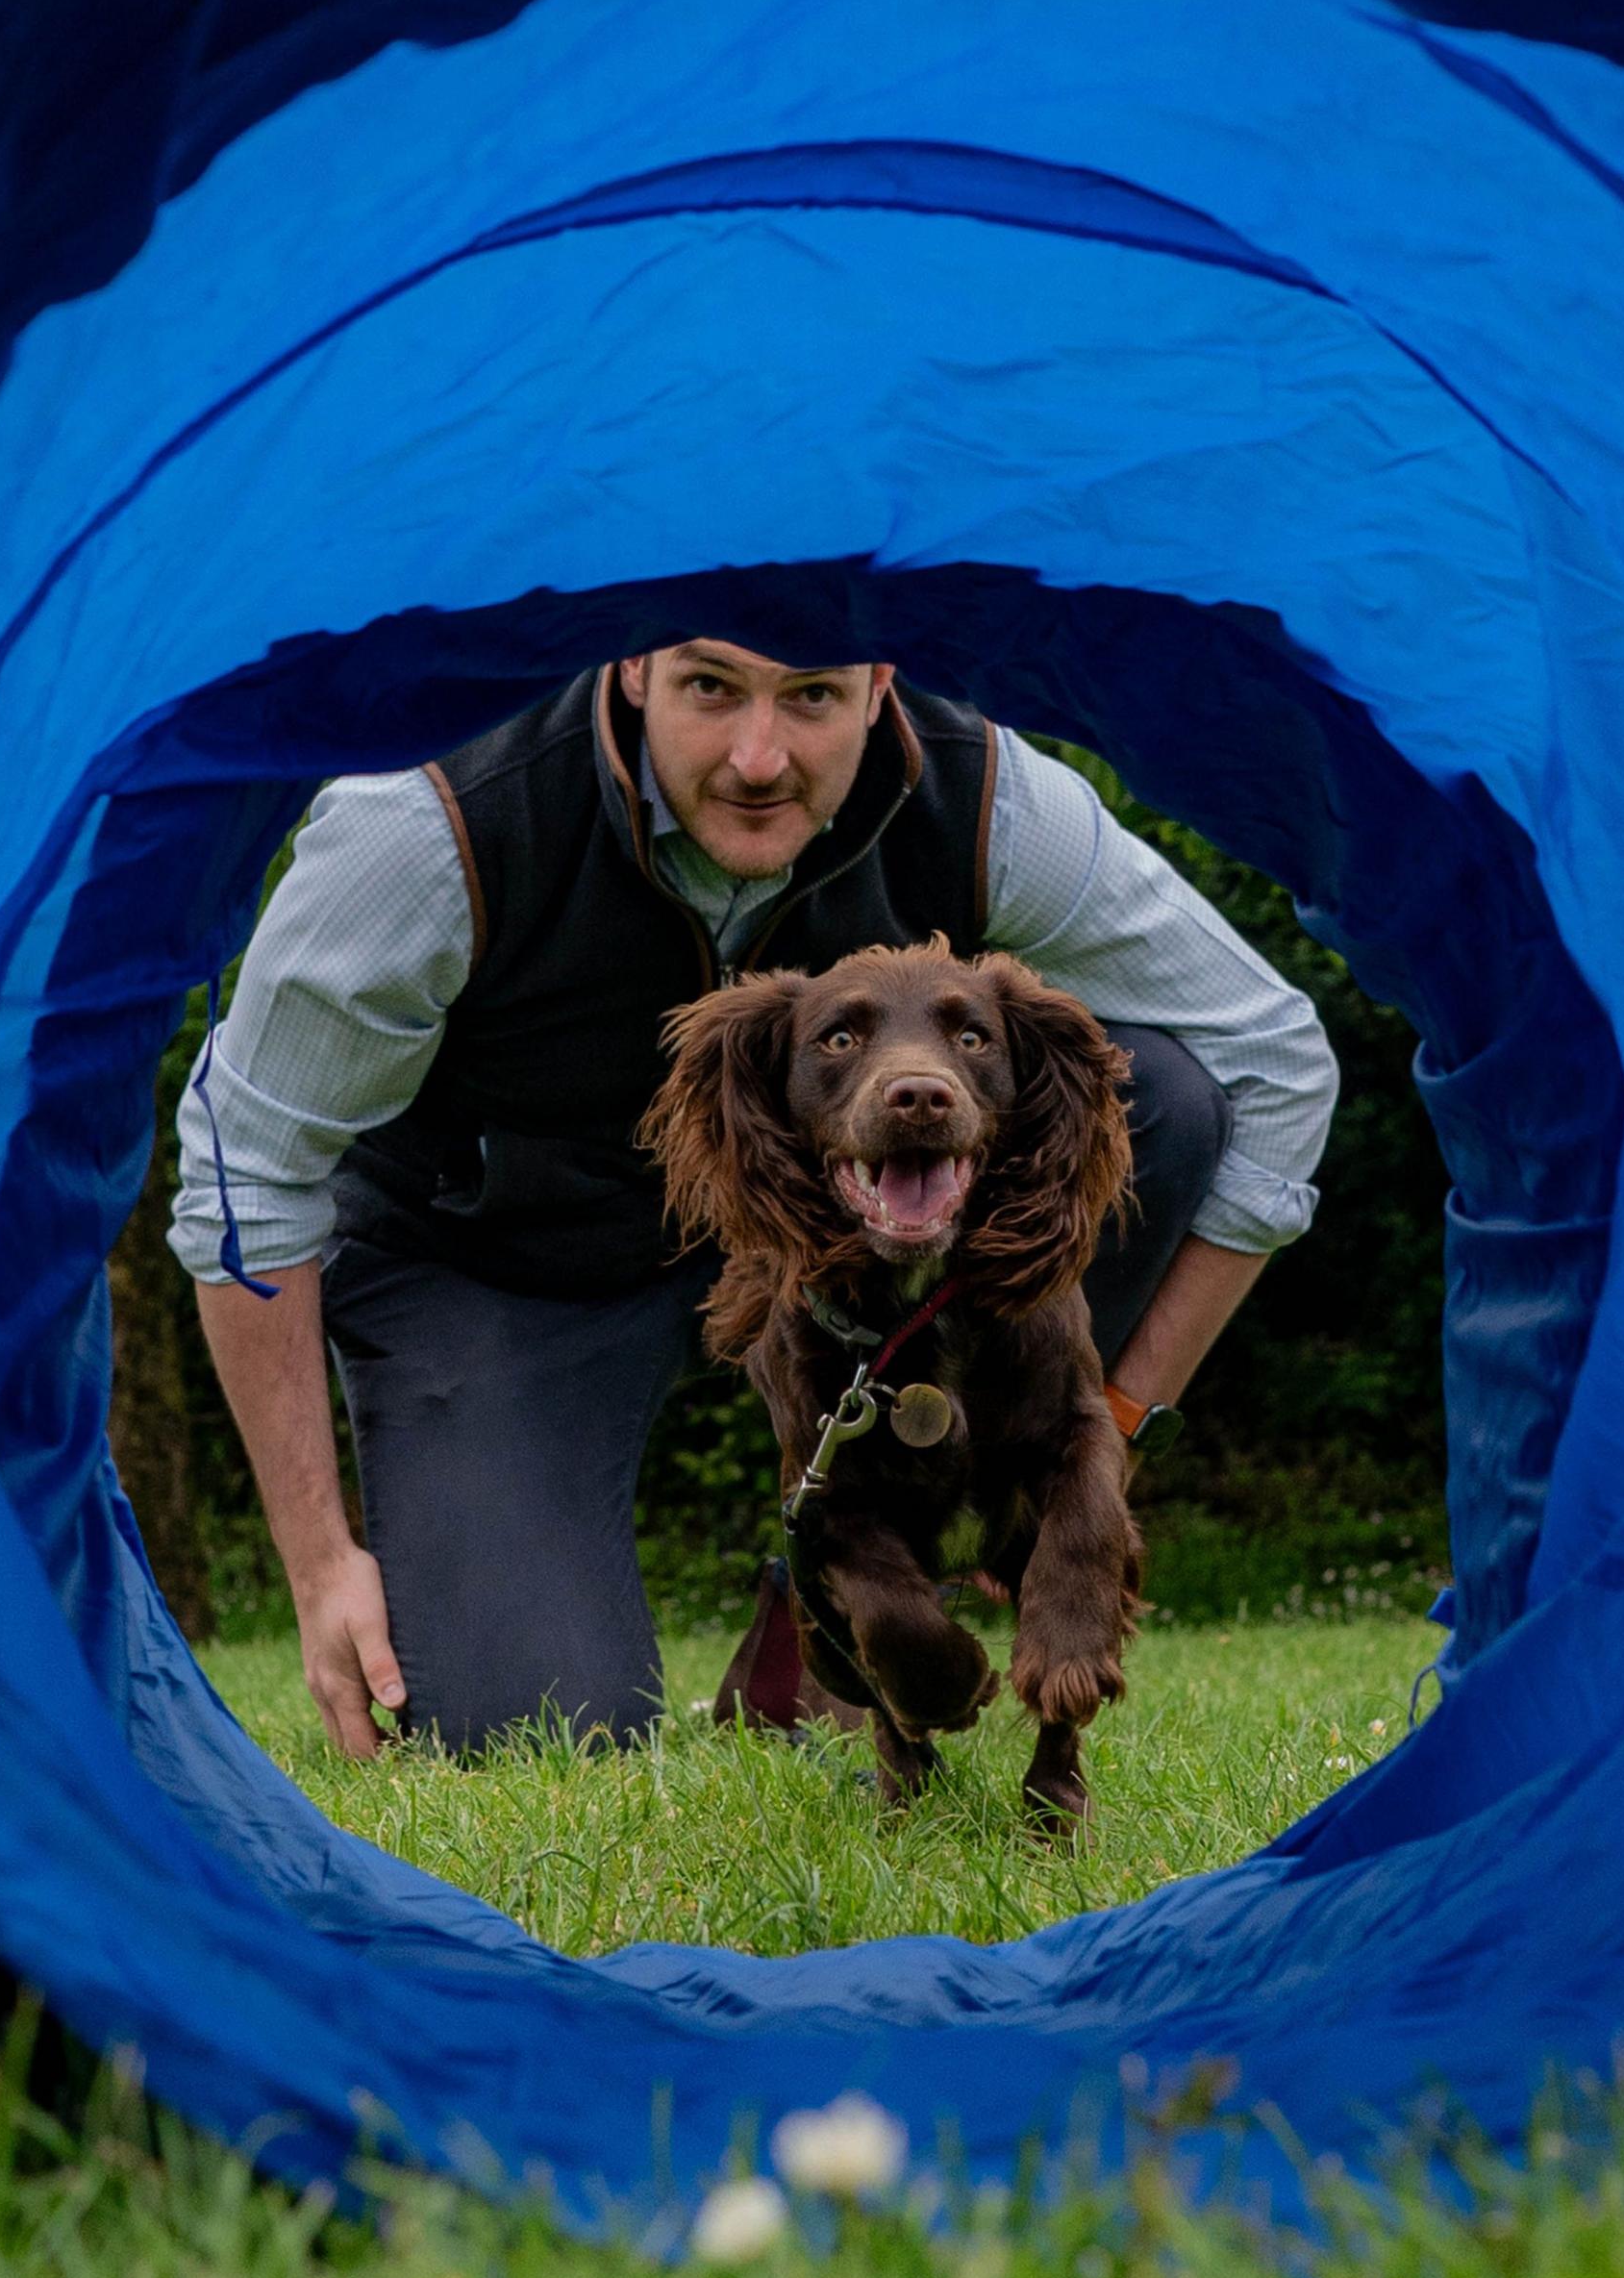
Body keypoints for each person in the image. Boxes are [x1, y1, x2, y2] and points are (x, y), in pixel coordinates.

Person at [170, 638, 1337, 1758]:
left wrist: (1114, 1426)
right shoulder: (431, 824)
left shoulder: (987, 797)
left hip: (864, 1256)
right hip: (507, 1261)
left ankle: (824, 1614)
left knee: (1159, 1098)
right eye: (712, 688)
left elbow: (1276, 1061)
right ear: (630, 663)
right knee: (528, 1724)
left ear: (882, 685)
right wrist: (321, 1562)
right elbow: (246, 1167)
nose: (760, 757)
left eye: (814, 697)